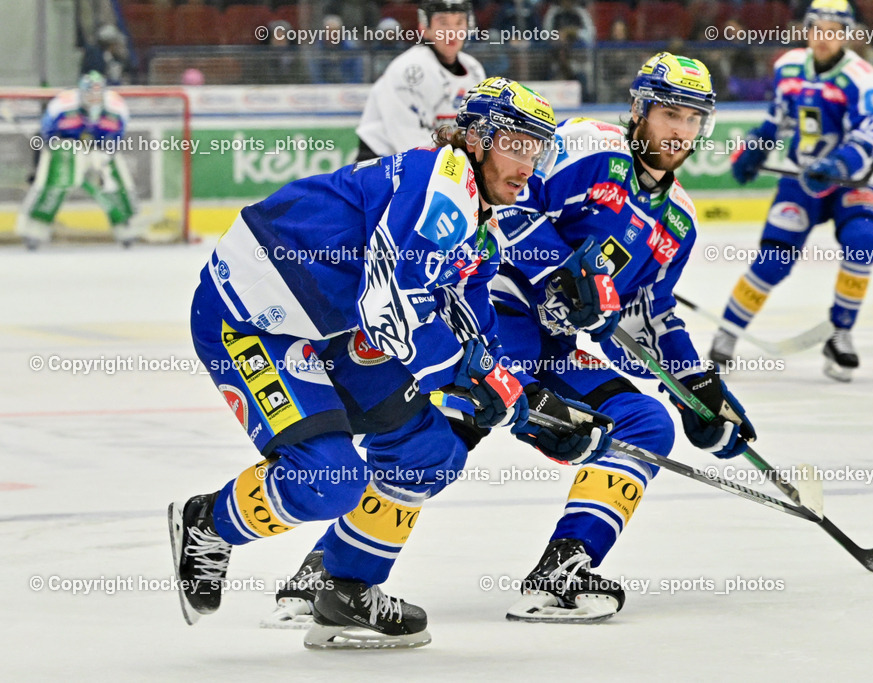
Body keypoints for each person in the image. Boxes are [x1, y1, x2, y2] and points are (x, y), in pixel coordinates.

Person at [168, 77, 613, 649]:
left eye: (538, 149)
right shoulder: (442, 185)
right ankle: (207, 523)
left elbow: (475, 334)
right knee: (328, 482)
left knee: (430, 451)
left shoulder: (480, 225)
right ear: (476, 139)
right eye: (516, 144)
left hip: (328, 327)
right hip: (249, 321)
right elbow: (389, 309)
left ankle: (347, 591)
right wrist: (480, 389)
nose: (529, 164)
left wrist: (533, 408)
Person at [491, 52, 756, 622]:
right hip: (485, 320)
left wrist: (697, 388)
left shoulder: (677, 222)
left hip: (551, 351)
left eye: (693, 119)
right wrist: (560, 273)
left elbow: (647, 316)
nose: (681, 131)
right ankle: (329, 578)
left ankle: (562, 570)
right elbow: (507, 204)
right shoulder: (588, 146)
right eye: (670, 114)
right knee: (434, 444)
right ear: (640, 109)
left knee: (647, 422)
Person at [714, 0, 873, 382]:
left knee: (861, 241)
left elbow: (868, 137)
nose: (824, 38)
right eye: (818, 29)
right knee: (772, 259)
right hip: (802, 178)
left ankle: (840, 333)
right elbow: (776, 121)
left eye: (834, 30)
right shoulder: (788, 67)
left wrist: (838, 166)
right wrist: (755, 150)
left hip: (853, 181)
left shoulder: (864, 79)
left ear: (846, 35)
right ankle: (726, 333)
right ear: (807, 30)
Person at [15, 71, 140, 249]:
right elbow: (45, 137)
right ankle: (34, 228)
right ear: (81, 92)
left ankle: (126, 226)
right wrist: (39, 167)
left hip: (98, 150)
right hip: (66, 149)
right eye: (89, 93)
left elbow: (116, 139)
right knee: (56, 182)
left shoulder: (116, 108)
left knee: (114, 179)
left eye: (98, 94)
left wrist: (103, 156)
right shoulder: (62, 106)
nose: (93, 98)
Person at [356, 0, 485, 161]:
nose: (452, 31)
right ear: (424, 28)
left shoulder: (474, 70)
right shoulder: (407, 71)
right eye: (443, 23)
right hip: (381, 165)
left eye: (459, 22)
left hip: (438, 163)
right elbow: (413, 149)